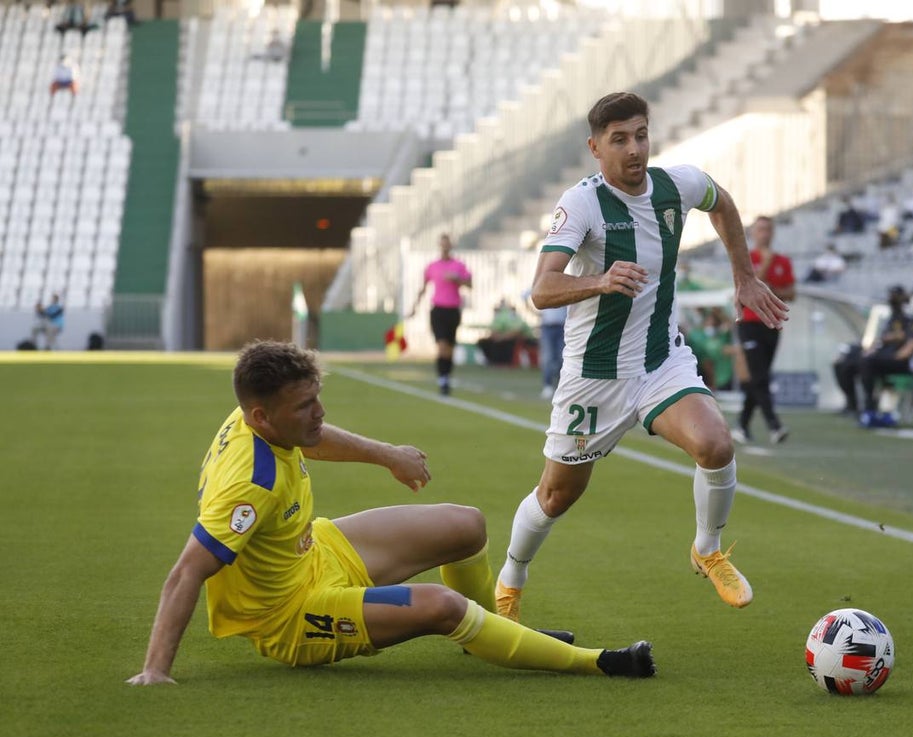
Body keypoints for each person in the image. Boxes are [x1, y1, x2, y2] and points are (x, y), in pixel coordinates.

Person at [126, 341, 654, 686]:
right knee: (442, 606)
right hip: (290, 614)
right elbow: (187, 571)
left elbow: (310, 437)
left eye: (317, 397)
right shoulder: (250, 484)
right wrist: (155, 670)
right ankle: (597, 661)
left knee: (466, 525)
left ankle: (491, 634)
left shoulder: (254, 415)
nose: (319, 412)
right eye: (305, 406)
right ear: (262, 416)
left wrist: (388, 455)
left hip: (315, 553)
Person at [494, 92, 789, 622]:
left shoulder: (678, 185)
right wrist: (600, 280)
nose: (634, 149)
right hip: (594, 376)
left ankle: (707, 549)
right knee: (556, 496)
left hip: (660, 363)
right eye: (619, 139)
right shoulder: (582, 204)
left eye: (641, 135)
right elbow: (541, 289)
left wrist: (744, 276)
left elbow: (722, 203)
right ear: (595, 148)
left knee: (716, 444)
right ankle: (511, 579)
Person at [734, 215, 795, 444]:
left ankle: (742, 424)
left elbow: (792, 293)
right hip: (749, 322)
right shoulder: (746, 259)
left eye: (768, 229)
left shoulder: (783, 261)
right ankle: (774, 425)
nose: (764, 234)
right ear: (753, 233)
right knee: (760, 376)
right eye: (760, 229)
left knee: (759, 375)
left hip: (772, 322)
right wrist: (766, 265)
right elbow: (747, 288)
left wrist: (772, 290)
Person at [832, 285, 913, 420]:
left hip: (895, 359)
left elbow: (908, 340)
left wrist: (891, 340)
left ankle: (869, 405)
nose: (891, 299)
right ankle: (852, 405)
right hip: (881, 353)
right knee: (844, 363)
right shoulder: (889, 317)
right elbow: (879, 340)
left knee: (867, 361)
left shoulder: (909, 318)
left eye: (894, 296)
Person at [407, 234, 472, 396]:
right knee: (441, 345)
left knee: (449, 348)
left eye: (447, 244)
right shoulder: (432, 266)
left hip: (453, 310)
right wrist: (414, 307)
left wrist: (457, 279)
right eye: (442, 244)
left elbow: (470, 284)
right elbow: (423, 288)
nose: (445, 247)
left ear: (451, 246)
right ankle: (442, 379)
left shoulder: (459, 266)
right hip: (438, 310)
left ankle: (447, 376)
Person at [857, 287, 913, 427]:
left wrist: (895, 355)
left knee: (868, 362)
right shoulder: (901, 315)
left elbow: (911, 344)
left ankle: (870, 409)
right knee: (863, 360)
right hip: (893, 356)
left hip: (906, 362)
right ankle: (871, 409)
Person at [476, 299, 534, 366]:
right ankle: (493, 361)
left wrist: (501, 337)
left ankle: (505, 362)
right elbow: (494, 331)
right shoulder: (499, 317)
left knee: (506, 344)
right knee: (488, 342)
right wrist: (498, 337)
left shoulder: (514, 317)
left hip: (519, 340)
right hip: (505, 338)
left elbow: (516, 332)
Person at [538, 303, 567, 399]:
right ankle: (548, 385)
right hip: (547, 326)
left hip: (563, 326)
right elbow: (526, 297)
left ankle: (561, 385)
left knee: (562, 357)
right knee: (547, 358)